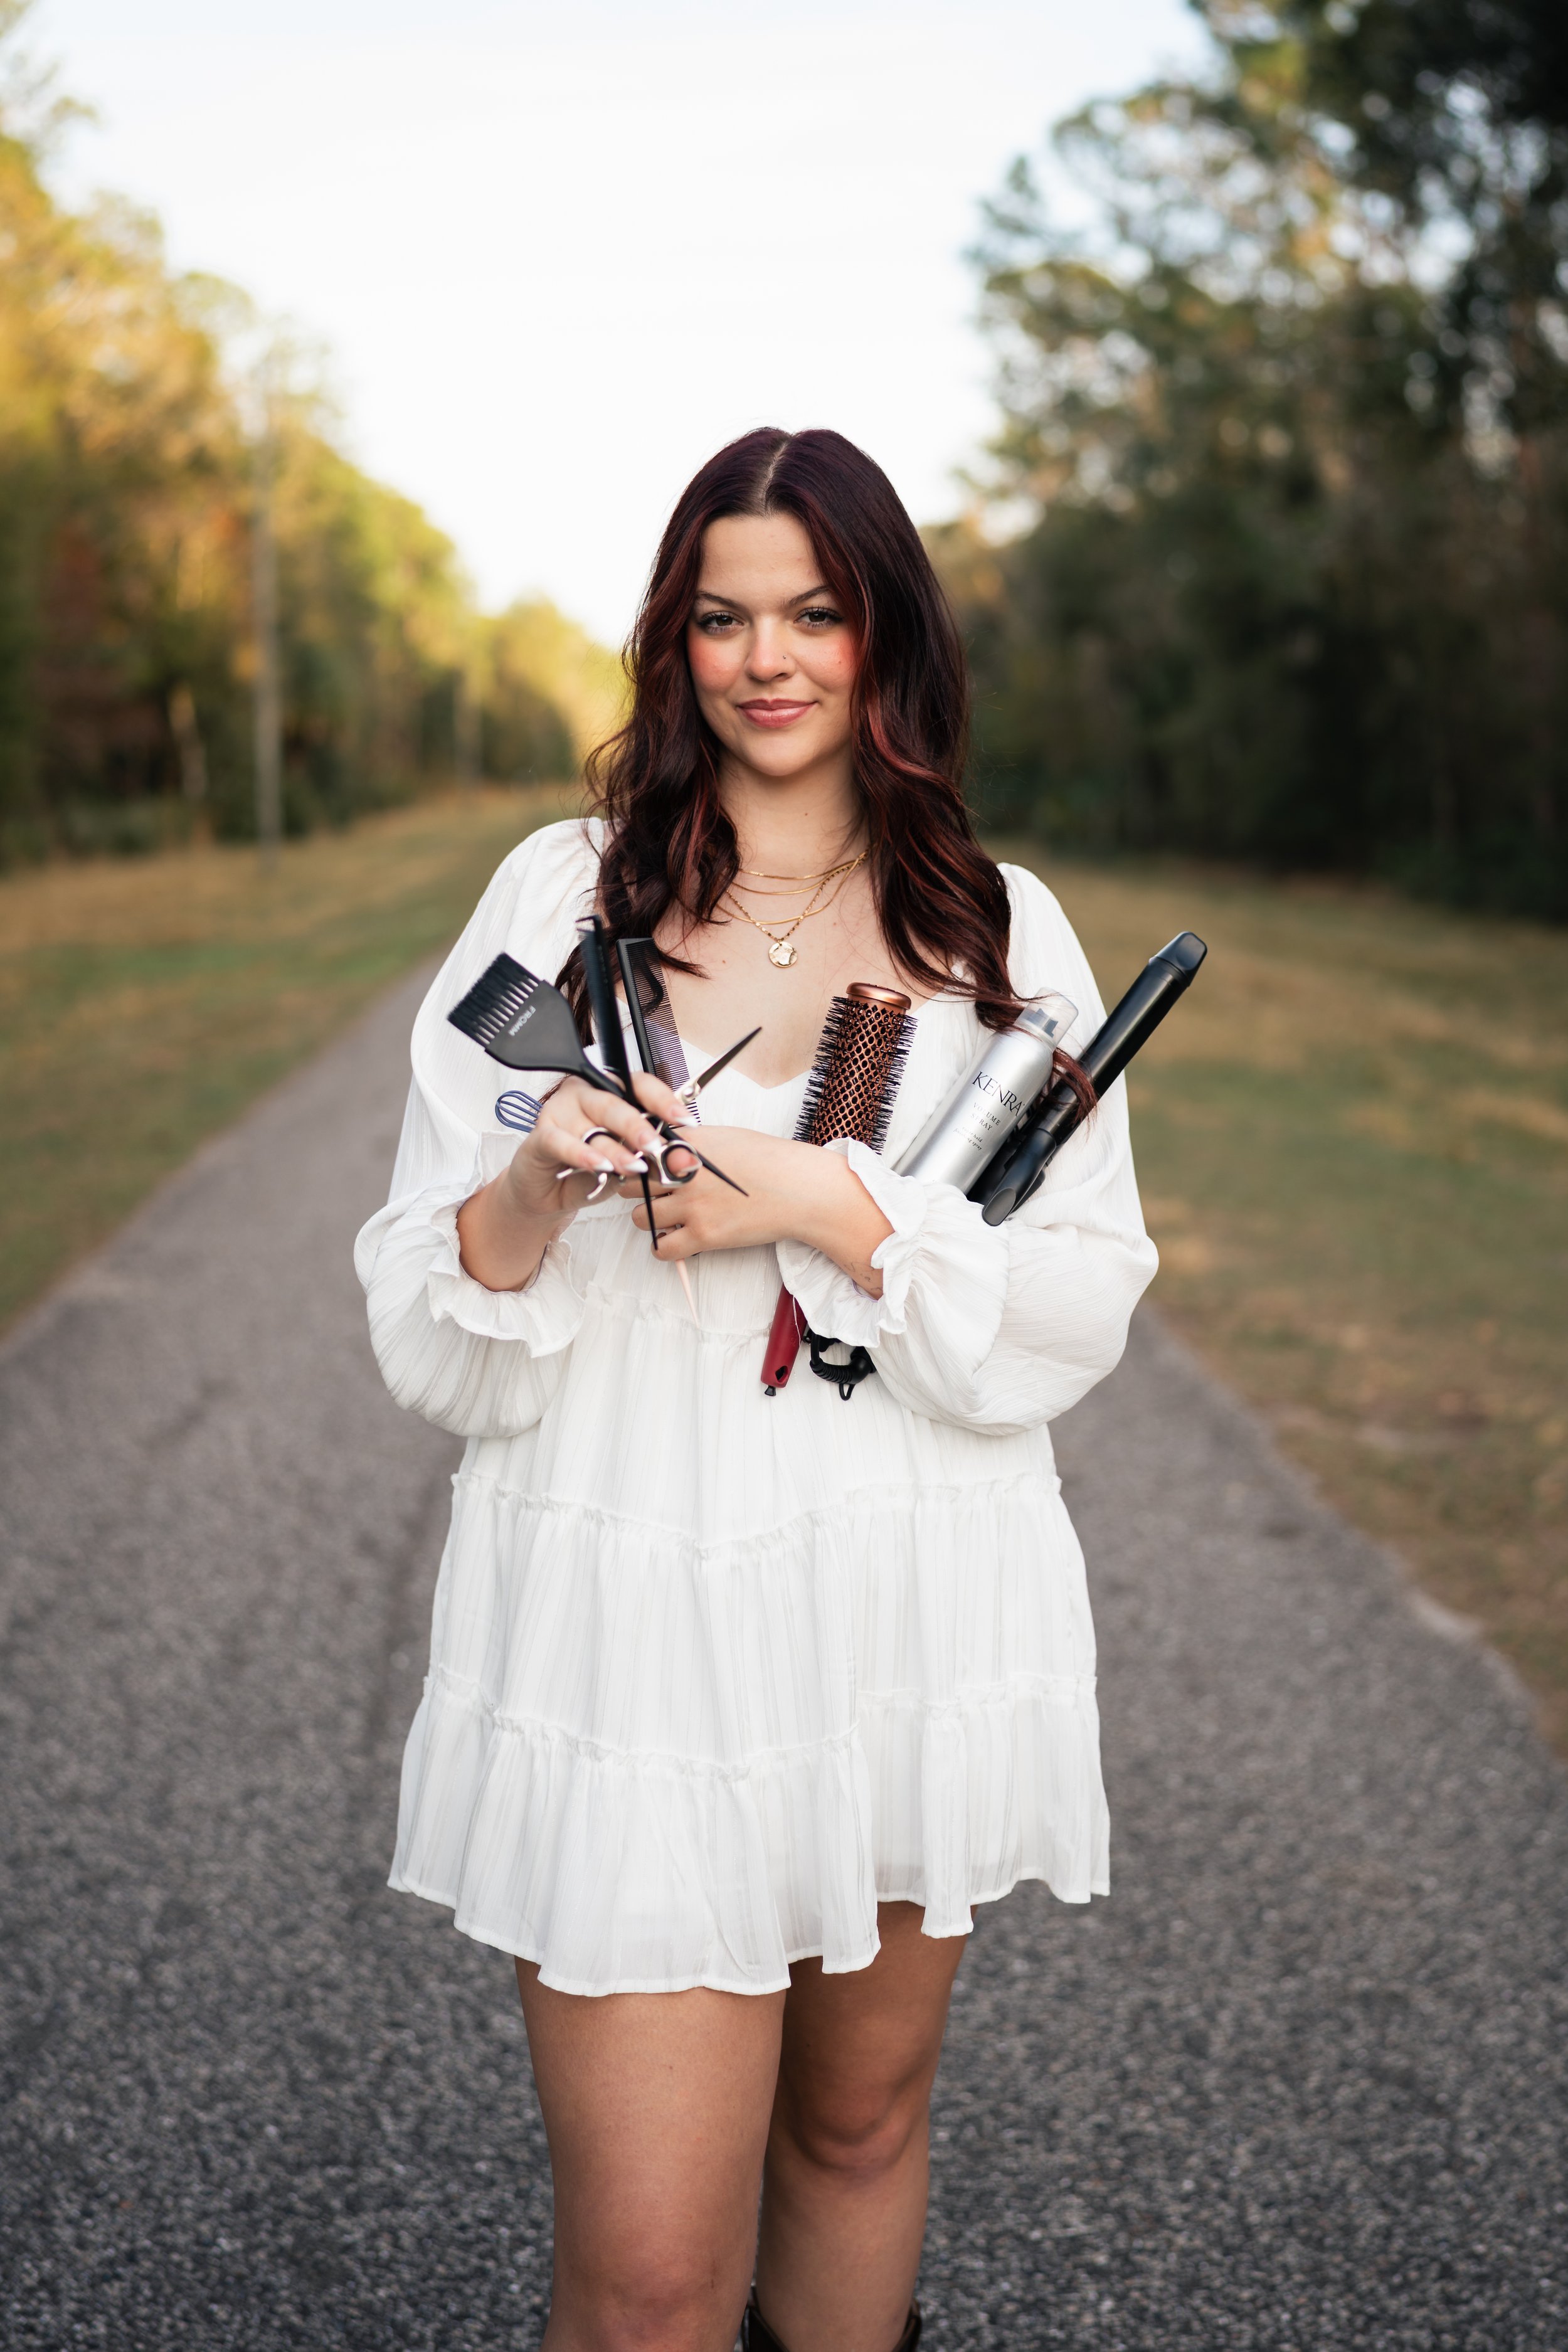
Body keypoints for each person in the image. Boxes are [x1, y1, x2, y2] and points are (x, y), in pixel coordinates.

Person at [355, 428, 1157, 2352]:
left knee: (863, 2133)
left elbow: (1072, 1310)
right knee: (646, 2273)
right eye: (720, 616)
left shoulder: (999, 928)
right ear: (672, 640)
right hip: (634, 1630)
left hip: (906, 1600)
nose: (766, 657)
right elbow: (424, 1319)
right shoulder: (567, 893)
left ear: (889, 635)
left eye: (814, 610)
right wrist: (539, 1177)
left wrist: (818, 1195)